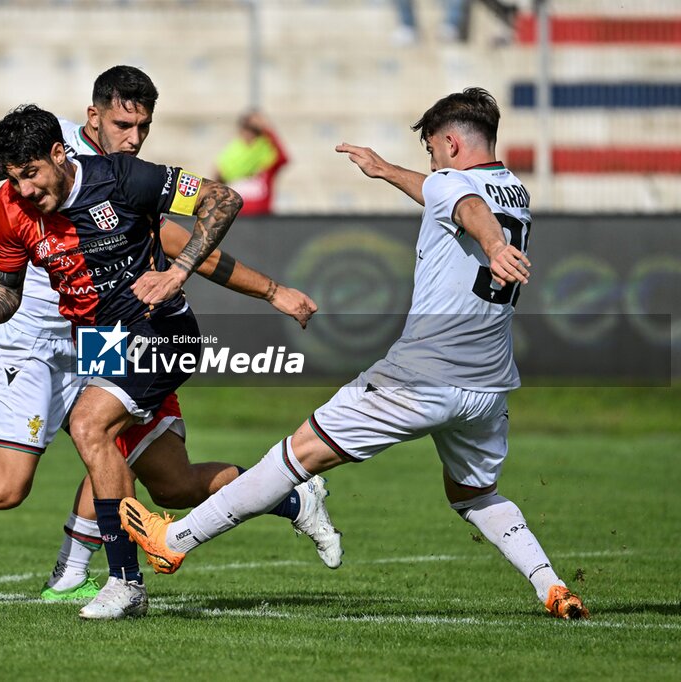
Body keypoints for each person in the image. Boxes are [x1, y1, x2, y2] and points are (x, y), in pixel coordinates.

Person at [0, 67, 339, 619]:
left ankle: (119, 581)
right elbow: (6, 289)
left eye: (143, 125)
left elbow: (213, 211)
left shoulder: (125, 178)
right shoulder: (16, 196)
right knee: (170, 481)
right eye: (123, 123)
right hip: (80, 340)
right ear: (92, 118)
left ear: (57, 155)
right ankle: (291, 495)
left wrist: (205, 277)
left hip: (155, 330)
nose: (134, 136)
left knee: (92, 427)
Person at [120, 87, 590, 620]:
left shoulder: (459, 191)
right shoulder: (514, 190)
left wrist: (492, 246)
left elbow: (465, 206)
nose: (429, 162)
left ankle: (176, 539)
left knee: (296, 454)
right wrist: (389, 171)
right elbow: (452, 195)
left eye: (432, 150)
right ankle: (551, 585)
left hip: (420, 379)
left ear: (453, 144)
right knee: (475, 495)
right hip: (487, 387)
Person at [214, 110, 288, 216]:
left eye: (254, 130)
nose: (249, 134)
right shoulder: (231, 151)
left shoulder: (266, 153)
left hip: (260, 216)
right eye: (246, 128)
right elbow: (218, 176)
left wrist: (266, 128)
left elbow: (282, 158)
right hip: (235, 216)